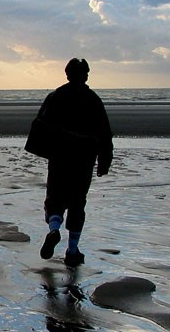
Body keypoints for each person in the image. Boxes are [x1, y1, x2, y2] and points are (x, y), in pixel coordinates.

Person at [35, 58, 113, 267]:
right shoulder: (92, 99)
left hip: (59, 158)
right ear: (86, 75)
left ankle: (54, 230)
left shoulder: (56, 96)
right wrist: (105, 160)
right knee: (78, 203)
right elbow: (105, 132)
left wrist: (48, 148)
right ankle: (72, 250)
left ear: (67, 74)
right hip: (83, 160)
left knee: (54, 199)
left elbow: (40, 126)